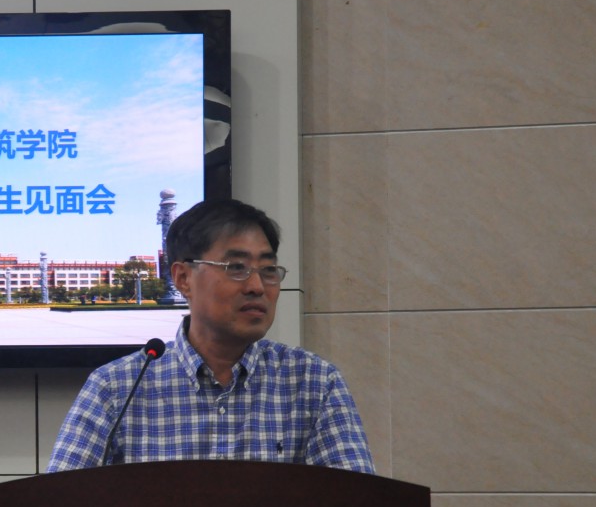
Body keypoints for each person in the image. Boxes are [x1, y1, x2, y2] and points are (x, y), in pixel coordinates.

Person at [47, 199, 374, 474]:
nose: (257, 286)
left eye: (268, 270)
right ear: (183, 278)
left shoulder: (314, 382)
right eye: (236, 268)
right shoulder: (116, 388)